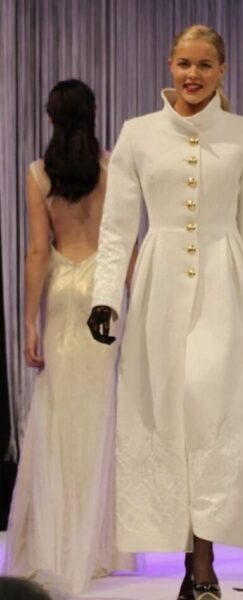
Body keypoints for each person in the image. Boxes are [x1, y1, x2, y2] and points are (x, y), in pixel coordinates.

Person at [87, 25, 243, 600]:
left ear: (222, 70)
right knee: (168, 419)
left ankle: (204, 563)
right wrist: (105, 296)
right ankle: (189, 559)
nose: (192, 75)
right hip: (160, 291)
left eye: (204, 65)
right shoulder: (138, 133)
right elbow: (117, 229)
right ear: (169, 65)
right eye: (183, 63)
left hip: (227, 288)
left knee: (215, 414)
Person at [3, 80, 135, 594]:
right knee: (100, 412)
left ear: (50, 117)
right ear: (95, 112)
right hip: (105, 292)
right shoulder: (114, 168)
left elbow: (39, 251)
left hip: (61, 292)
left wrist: (29, 321)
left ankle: (56, 540)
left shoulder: (39, 174)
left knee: (58, 413)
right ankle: (97, 545)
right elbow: (124, 244)